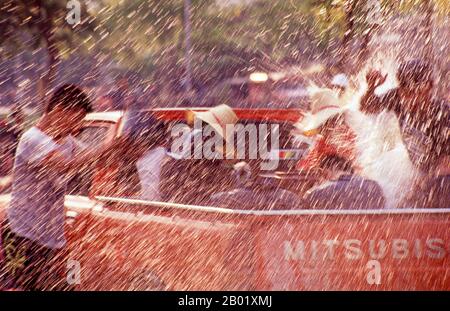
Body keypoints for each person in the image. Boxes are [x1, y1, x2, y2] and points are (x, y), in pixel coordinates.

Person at [0, 84, 112, 290]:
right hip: (23, 234)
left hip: (50, 237)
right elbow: (65, 165)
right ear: (58, 110)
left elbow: (89, 159)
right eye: (77, 119)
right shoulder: (32, 139)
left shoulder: (67, 141)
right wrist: (107, 146)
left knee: (62, 285)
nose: (78, 128)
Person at [372, 59, 449, 208]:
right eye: (407, 93)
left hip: (441, 178)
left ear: (430, 88)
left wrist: (422, 185)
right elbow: (367, 107)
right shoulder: (397, 98)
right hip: (419, 172)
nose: (413, 100)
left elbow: (446, 163)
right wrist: (371, 88)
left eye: (419, 93)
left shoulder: (444, 117)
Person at [113, 111, 169, 200]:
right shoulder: (127, 160)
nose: (123, 147)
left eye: (128, 141)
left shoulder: (159, 159)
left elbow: (150, 198)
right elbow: (119, 193)